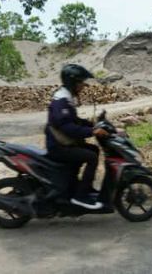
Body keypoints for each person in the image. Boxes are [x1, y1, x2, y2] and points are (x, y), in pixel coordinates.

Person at [45, 64, 109, 210]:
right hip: (58, 146)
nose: (83, 86)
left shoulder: (66, 98)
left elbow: (74, 121)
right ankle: (81, 196)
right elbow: (67, 127)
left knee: (93, 150)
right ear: (72, 82)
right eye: (81, 82)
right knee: (91, 157)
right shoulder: (61, 101)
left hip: (63, 144)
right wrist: (92, 132)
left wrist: (92, 124)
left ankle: (84, 187)